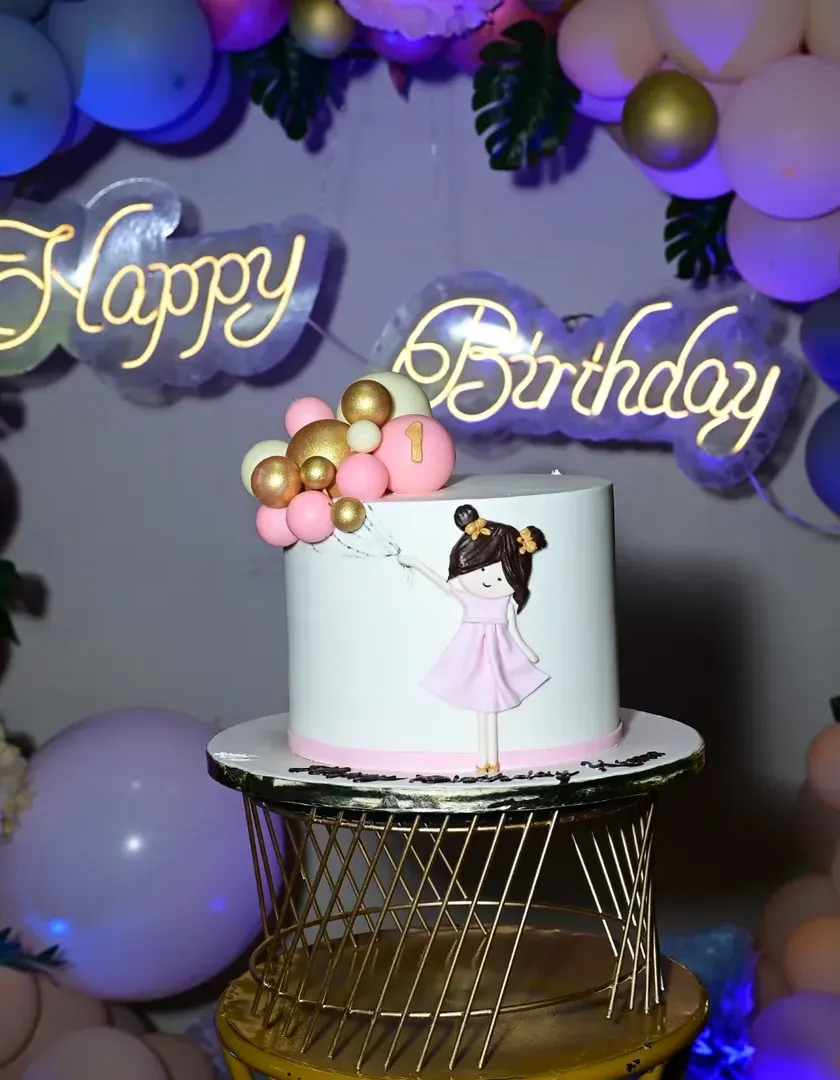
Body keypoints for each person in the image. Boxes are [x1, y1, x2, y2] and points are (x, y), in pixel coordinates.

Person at [399, 504, 548, 774]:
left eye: (500, 572)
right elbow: (439, 582)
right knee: (481, 702)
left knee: (490, 703)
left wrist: (527, 652)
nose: (489, 579)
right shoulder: (466, 595)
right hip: (468, 650)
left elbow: (514, 629)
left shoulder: (504, 601)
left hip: (499, 653)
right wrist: (417, 563)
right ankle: (483, 759)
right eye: (480, 570)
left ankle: (492, 760)